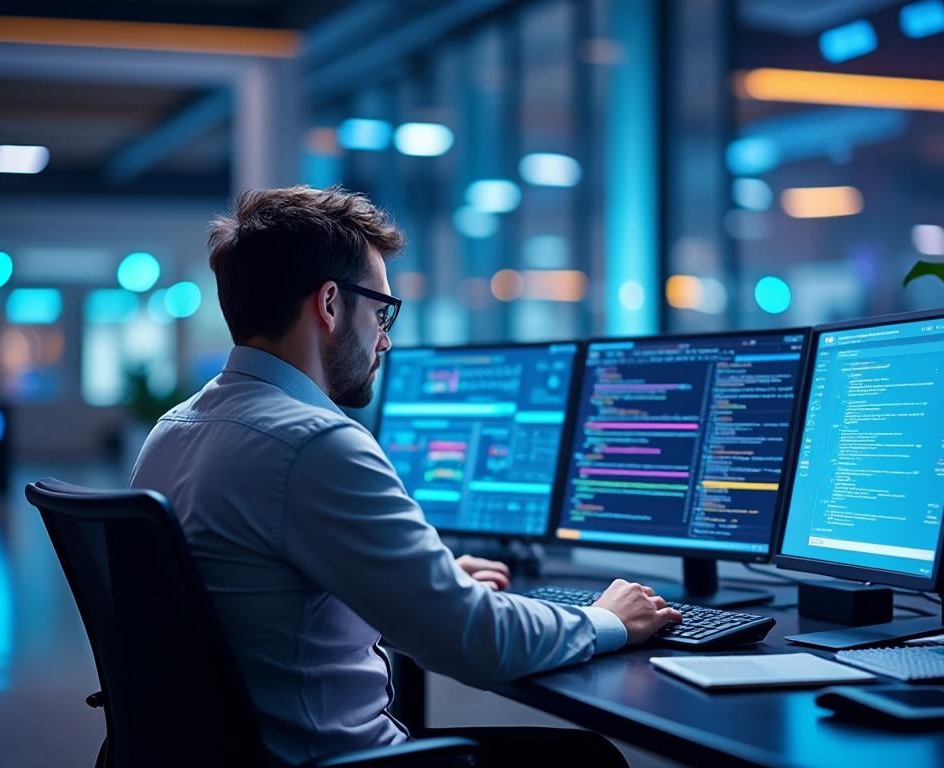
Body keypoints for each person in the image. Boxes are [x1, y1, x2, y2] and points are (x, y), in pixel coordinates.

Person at [130, 185, 680, 767]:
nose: (386, 337)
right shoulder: (318, 444)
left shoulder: (172, 431)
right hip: (335, 760)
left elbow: (262, 603)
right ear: (330, 304)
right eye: (381, 310)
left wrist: (423, 578)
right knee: (585, 760)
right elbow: (478, 643)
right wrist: (606, 620)